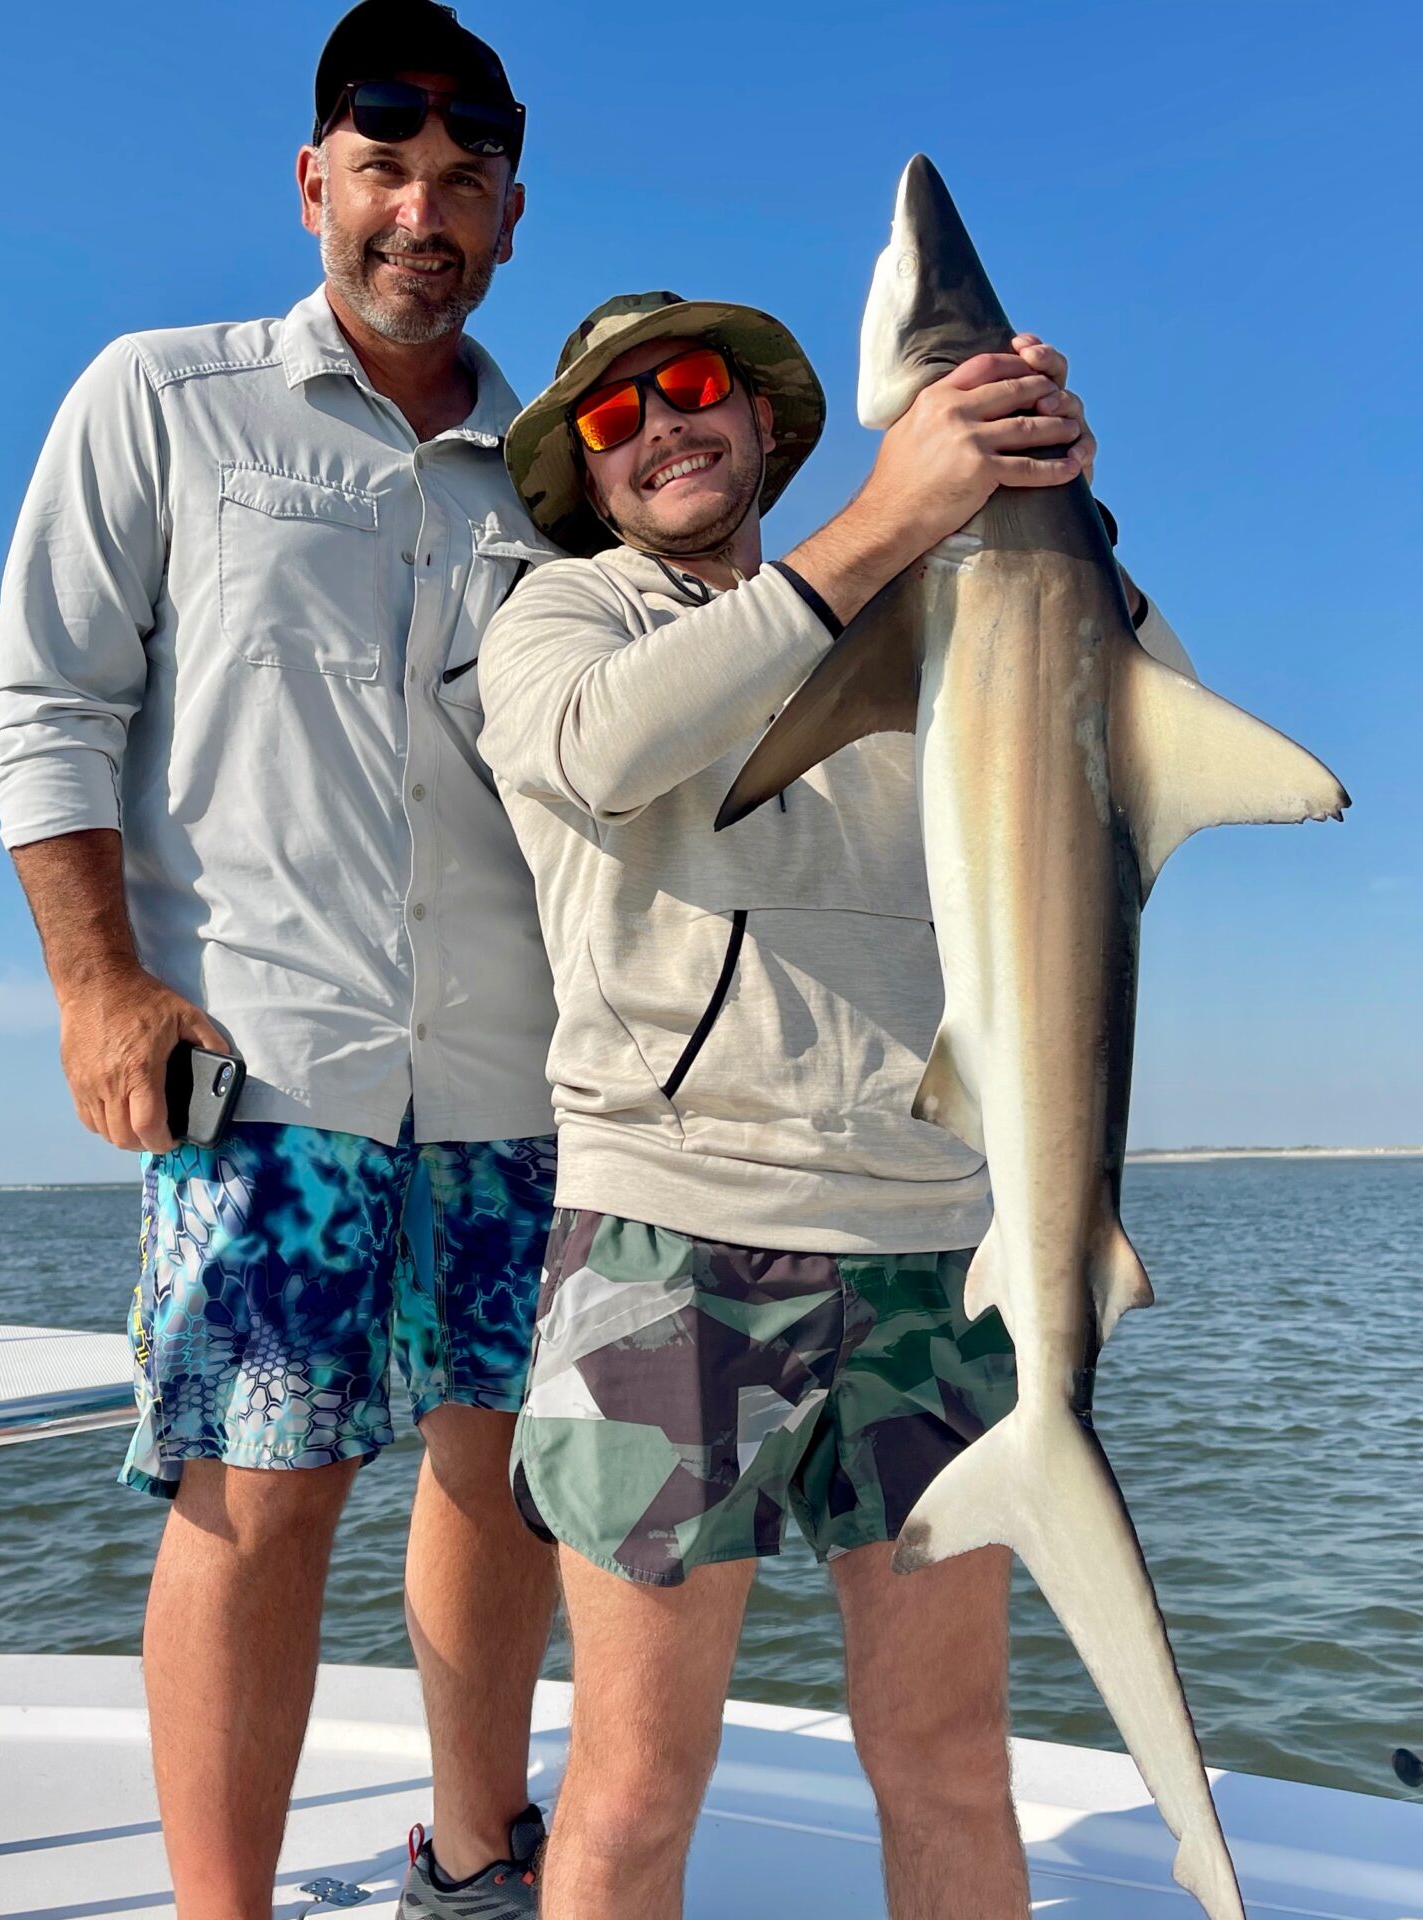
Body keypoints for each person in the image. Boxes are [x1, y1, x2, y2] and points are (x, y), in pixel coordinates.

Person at [477, 291, 1194, 1919]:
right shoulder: (560, 616)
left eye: (689, 385)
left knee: (948, 1765)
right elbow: (601, 752)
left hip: (936, 1255)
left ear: (762, 420)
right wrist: (885, 520)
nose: (659, 422)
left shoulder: (937, 616)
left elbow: (1136, 735)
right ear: (583, 473)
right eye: (610, 413)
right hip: (673, 1247)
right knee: (638, 1786)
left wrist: (1062, 515)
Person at [0, 5, 564, 1914]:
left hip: (524, 1072)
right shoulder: (159, 395)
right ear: (312, 181)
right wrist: (93, 984)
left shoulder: (559, 480)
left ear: (509, 215)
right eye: (384, 171)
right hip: (265, 1071)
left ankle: (474, 1865)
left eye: (463, 181)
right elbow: (47, 705)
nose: (423, 212)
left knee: (505, 1489)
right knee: (257, 1497)